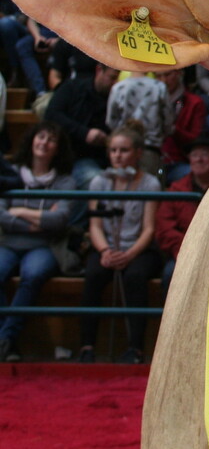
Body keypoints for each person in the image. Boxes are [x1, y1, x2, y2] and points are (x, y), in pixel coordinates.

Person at [79, 121, 161, 364]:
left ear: (137, 153)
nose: (118, 156)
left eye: (124, 150)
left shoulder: (150, 184)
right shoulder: (98, 183)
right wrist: (105, 251)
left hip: (138, 249)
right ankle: (87, 347)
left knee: (135, 277)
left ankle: (135, 349)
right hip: (107, 247)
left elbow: (148, 229)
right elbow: (94, 226)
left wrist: (129, 254)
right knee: (93, 274)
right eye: (113, 150)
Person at [0, 122, 74, 363]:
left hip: (44, 246)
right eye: (40, 136)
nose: (44, 142)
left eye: (51, 139)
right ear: (31, 140)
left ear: (58, 148)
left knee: (32, 274)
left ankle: (6, 338)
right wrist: (37, 221)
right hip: (8, 242)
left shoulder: (65, 181)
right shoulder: (10, 173)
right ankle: (4, 340)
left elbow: (60, 219)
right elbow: (0, 214)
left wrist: (19, 210)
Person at [156, 131, 209, 295]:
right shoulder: (177, 189)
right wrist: (185, 251)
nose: (199, 159)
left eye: (205, 154)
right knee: (170, 274)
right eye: (195, 155)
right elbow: (165, 227)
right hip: (184, 253)